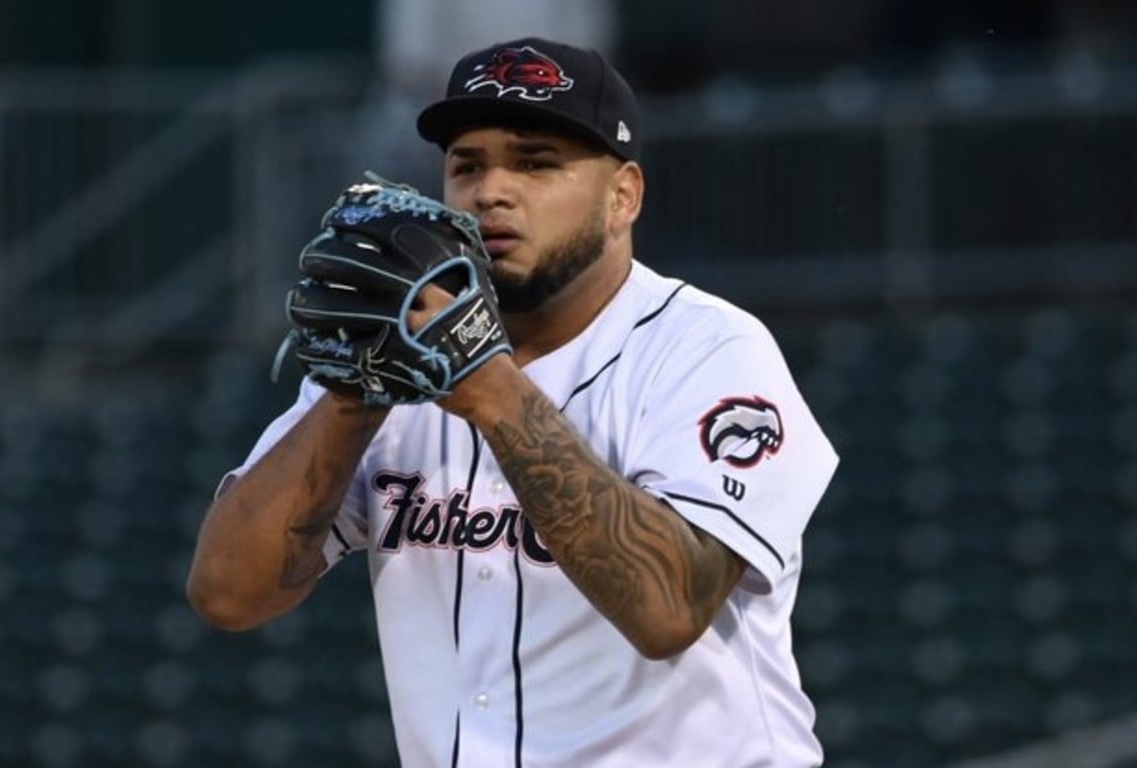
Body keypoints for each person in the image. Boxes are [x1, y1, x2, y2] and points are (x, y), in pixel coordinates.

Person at [187, 36, 840, 768]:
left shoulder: (707, 350)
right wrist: (356, 391)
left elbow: (669, 608)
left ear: (623, 195)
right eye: (467, 164)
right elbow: (227, 594)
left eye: (536, 162)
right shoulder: (396, 350)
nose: (491, 190)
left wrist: (487, 380)